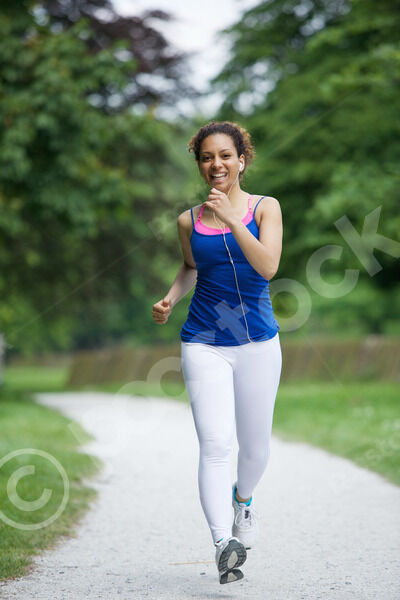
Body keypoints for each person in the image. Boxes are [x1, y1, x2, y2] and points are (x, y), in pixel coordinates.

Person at [152, 121, 283, 585]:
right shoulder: (188, 221)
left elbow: (267, 266)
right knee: (214, 443)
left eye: (225, 155)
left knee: (256, 448)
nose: (216, 164)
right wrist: (171, 297)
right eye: (207, 157)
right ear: (200, 165)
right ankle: (223, 543)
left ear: (241, 161)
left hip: (258, 342)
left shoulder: (265, 208)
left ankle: (242, 500)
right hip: (203, 341)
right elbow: (191, 266)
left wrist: (230, 219)